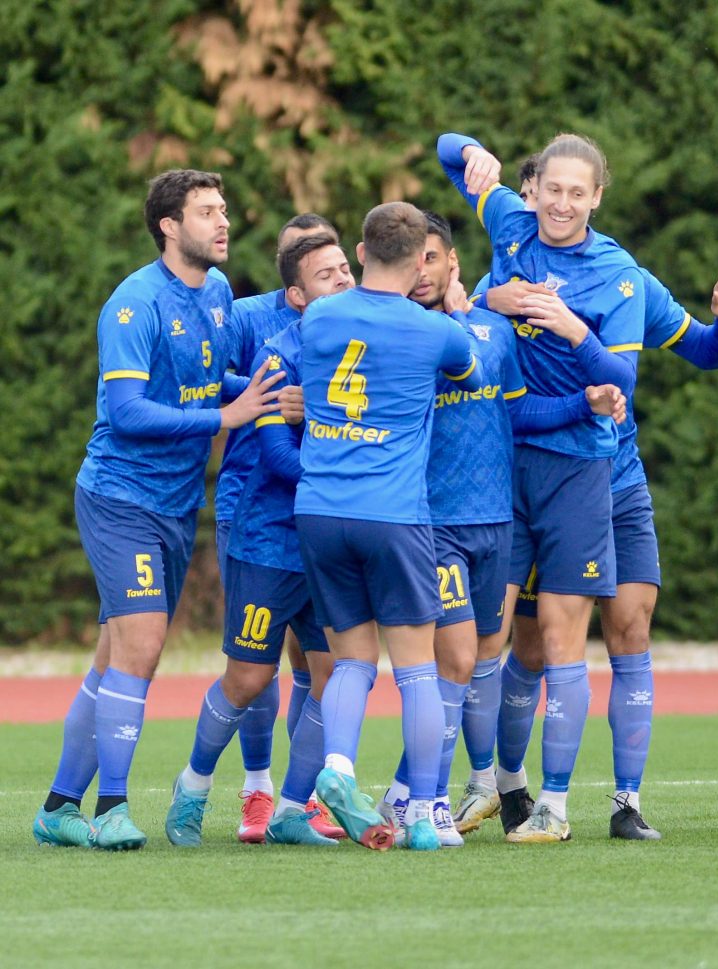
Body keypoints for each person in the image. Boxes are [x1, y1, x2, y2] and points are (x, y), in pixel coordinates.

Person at [32, 169, 282, 850]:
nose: (223, 221)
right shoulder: (134, 303)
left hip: (174, 503)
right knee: (140, 651)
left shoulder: (219, 291)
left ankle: (58, 807)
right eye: (206, 211)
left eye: (223, 208)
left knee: (112, 658)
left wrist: (262, 392)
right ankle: (113, 807)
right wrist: (227, 416)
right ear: (170, 226)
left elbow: (207, 380)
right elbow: (127, 410)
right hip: (121, 497)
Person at [463, 264, 718, 841]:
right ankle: (506, 784)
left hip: (620, 485)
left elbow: (707, 351)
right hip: (540, 484)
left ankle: (626, 804)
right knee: (529, 645)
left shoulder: (628, 281)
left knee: (632, 629)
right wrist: (488, 295)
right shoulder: (504, 280)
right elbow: (473, 350)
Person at [374, 212, 626, 846]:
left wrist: (584, 404)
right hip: (431, 523)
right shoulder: (398, 335)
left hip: (496, 522)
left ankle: (420, 789)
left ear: (453, 263)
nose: (422, 272)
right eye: (414, 260)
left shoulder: (493, 333)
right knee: (456, 657)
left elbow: (519, 412)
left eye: (434, 258)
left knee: (483, 657)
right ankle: (429, 798)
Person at [439, 130, 647, 843]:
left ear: (597, 197)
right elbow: (446, 153)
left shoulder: (618, 274)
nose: (561, 204)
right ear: (535, 192)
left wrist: (570, 328)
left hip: (578, 469)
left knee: (560, 636)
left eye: (576, 193)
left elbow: (621, 380)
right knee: (484, 636)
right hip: (503, 465)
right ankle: (485, 785)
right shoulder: (510, 220)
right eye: (551, 189)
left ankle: (555, 806)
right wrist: (473, 152)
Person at [296, 202, 482, 852]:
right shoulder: (435, 331)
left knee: (351, 660)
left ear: (360, 250)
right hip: (393, 512)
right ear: (421, 260)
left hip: (320, 508)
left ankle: (339, 767)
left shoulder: (318, 316)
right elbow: (469, 372)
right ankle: (425, 815)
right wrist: (456, 310)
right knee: (417, 671)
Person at [165, 233, 355, 848]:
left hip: (332, 545)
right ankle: (193, 787)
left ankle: (293, 810)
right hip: (270, 542)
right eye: (327, 275)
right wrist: (350, 474)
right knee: (249, 679)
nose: (343, 280)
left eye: (346, 268)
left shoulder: (370, 349)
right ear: (297, 296)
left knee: (335, 676)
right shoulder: (278, 356)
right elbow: (276, 455)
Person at [213, 212, 349, 842]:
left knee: (316, 662)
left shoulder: (355, 320)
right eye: (308, 257)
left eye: (336, 260)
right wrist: (266, 391)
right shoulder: (247, 318)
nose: (335, 274)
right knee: (255, 663)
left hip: (321, 516)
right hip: (253, 508)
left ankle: (306, 797)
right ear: (291, 279)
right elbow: (201, 378)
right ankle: (257, 789)